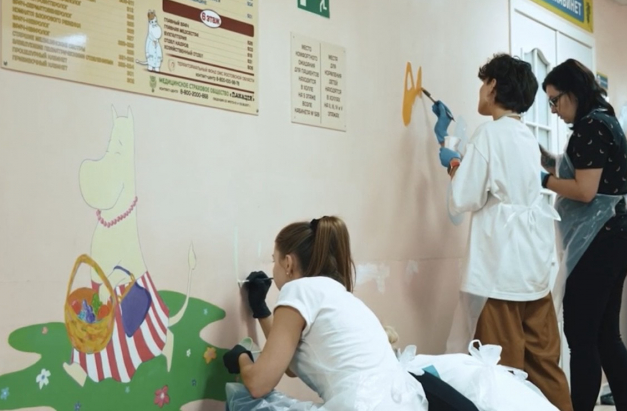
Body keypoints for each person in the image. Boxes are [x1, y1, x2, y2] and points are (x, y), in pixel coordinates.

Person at [432, 53, 572, 411]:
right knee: (544, 365)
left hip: (499, 271)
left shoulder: (488, 134)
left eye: (483, 83)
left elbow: (464, 197)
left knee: (500, 370)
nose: (481, 90)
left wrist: (452, 160)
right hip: (534, 268)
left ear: (493, 85)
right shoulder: (525, 136)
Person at [224, 216, 428, 410]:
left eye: (274, 261)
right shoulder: (339, 294)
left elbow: (258, 384)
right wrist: (261, 310)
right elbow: (289, 365)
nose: (273, 269)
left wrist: (242, 357)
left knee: (243, 399)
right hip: (408, 405)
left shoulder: (298, 289)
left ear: (288, 263)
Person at [539, 59, 627, 411]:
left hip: (601, 241)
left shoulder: (591, 126)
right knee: (606, 336)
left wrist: (542, 179)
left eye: (555, 100)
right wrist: (545, 160)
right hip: (615, 237)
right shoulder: (603, 120)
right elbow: (583, 169)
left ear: (574, 93)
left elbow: (584, 190)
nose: (553, 110)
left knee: (582, 338)